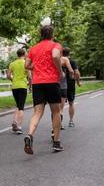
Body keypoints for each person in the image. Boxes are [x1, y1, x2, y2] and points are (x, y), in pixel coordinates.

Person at [24, 25, 64, 154]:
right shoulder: (56, 45)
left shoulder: (33, 48)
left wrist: (38, 67)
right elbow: (55, 56)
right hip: (52, 81)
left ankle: (30, 135)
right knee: (56, 112)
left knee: (37, 112)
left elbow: (27, 65)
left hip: (37, 83)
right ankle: (56, 142)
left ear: (41, 35)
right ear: (52, 34)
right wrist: (60, 71)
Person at [51, 50, 74, 141]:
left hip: (53, 85)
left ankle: (54, 128)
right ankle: (55, 130)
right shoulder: (64, 59)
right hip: (63, 87)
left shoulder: (50, 59)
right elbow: (71, 71)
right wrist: (71, 76)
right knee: (59, 110)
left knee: (54, 111)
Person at [7, 49, 30, 134]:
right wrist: (30, 86)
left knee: (18, 105)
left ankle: (14, 121)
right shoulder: (26, 63)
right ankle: (19, 127)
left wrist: (14, 80)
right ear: (24, 54)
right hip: (23, 86)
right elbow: (30, 77)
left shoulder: (12, 64)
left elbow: (8, 76)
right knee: (21, 107)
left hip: (15, 87)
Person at [63, 47, 81, 127]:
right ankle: (71, 121)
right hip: (70, 85)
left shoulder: (59, 60)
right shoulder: (72, 61)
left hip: (60, 84)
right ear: (69, 53)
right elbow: (76, 73)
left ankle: (59, 124)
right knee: (71, 103)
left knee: (60, 104)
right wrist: (78, 82)